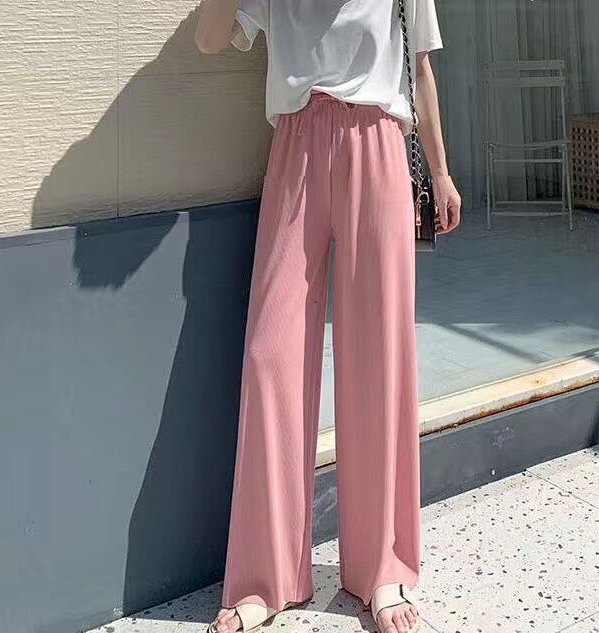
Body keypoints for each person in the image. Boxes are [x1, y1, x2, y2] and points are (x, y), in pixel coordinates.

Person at [195, 1, 461, 631]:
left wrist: (442, 172)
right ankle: (265, 576)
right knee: (270, 354)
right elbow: (208, 38)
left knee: (379, 356)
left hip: (380, 144)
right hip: (297, 144)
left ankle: (382, 569)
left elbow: (420, 68)